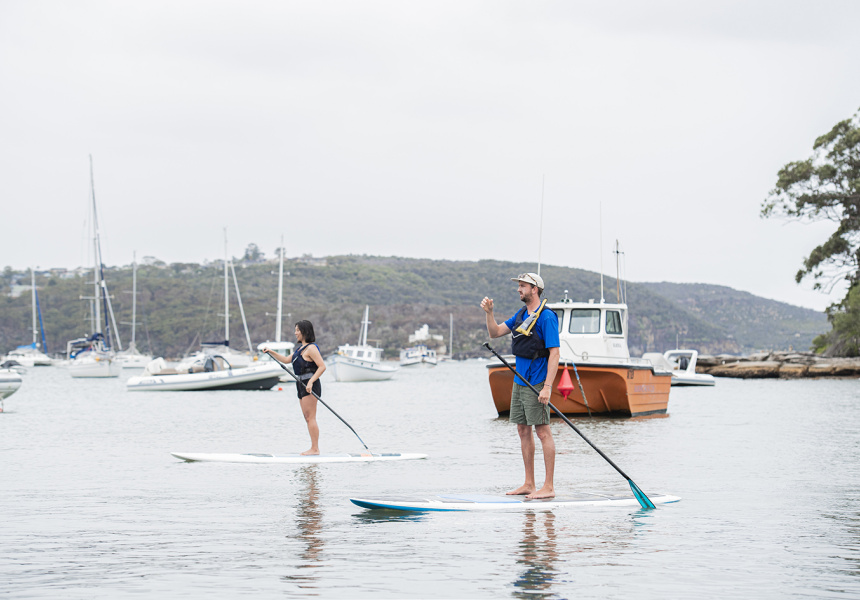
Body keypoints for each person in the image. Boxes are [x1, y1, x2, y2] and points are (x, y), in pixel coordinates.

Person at [481, 272, 560, 499]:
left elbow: (554, 353)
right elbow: (495, 333)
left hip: (537, 381)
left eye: (523, 285)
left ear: (534, 289)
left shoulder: (546, 317)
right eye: (519, 286)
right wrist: (490, 314)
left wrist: (547, 387)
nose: (519, 289)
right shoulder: (520, 315)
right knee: (522, 429)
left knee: (542, 431)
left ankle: (549, 487)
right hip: (519, 380)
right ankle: (528, 483)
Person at [262, 320, 326, 455]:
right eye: (295, 330)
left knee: (311, 417)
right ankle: (313, 448)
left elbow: (322, 367)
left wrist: (311, 382)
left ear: (305, 332)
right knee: (307, 417)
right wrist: (271, 352)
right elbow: (286, 360)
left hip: (310, 384)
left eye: (297, 330)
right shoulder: (300, 349)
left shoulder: (311, 348)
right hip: (300, 384)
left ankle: (315, 449)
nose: (295, 333)